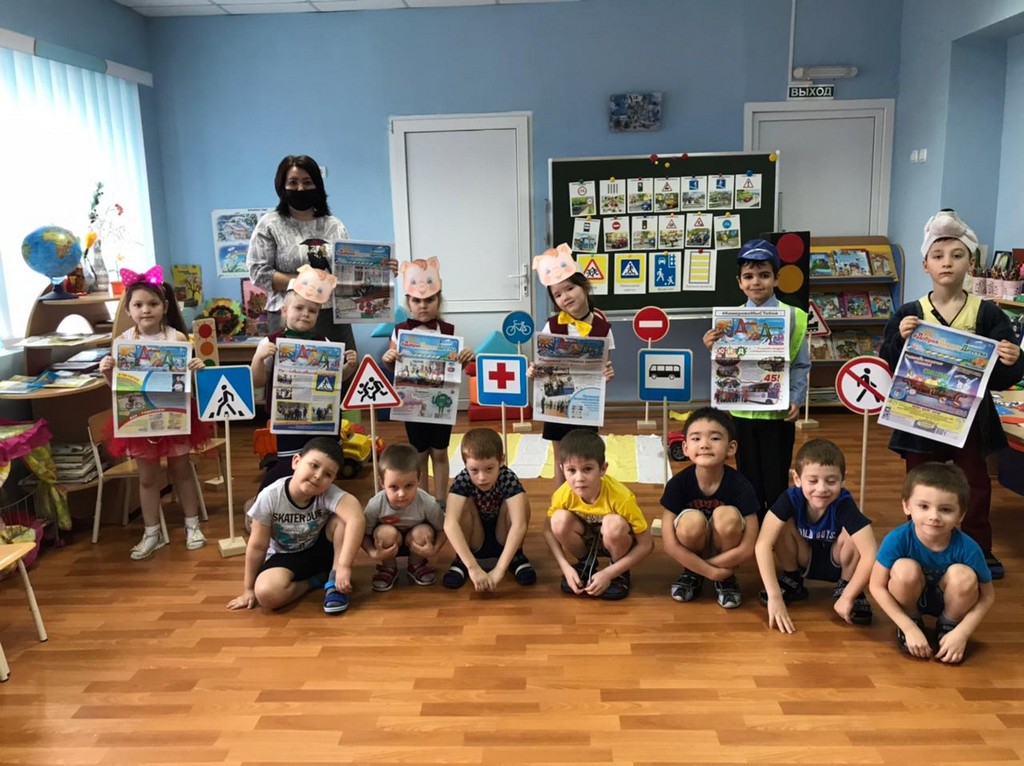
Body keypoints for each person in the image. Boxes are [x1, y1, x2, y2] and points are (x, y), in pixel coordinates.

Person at [879, 210, 1023, 579]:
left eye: (957, 255)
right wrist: (899, 339)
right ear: (925, 264)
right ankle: (918, 546)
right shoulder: (911, 312)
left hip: (969, 418)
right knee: (920, 482)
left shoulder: (987, 313)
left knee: (975, 483)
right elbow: (888, 363)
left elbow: (1005, 375)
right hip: (919, 414)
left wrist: (1013, 359)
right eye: (938, 256)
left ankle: (978, 549)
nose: (947, 263)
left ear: (970, 264)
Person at [98, 265, 210, 560]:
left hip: (175, 415)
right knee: (147, 478)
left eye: (152, 303)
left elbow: (189, 383)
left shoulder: (177, 339)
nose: (145, 310)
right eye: (138, 305)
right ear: (128, 309)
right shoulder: (123, 342)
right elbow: (118, 387)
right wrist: (107, 371)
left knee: (181, 471)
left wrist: (197, 368)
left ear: (165, 307)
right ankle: (151, 532)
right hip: (140, 418)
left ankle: (192, 526)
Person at [702, 239, 810, 518]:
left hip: (777, 413)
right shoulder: (728, 321)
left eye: (764, 275)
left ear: (776, 279)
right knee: (748, 478)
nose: (756, 282)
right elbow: (727, 365)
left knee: (776, 479)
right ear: (739, 282)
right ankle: (753, 529)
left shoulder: (794, 317)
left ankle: (776, 531)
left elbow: (801, 364)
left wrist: (796, 398)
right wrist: (713, 347)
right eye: (748, 276)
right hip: (742, 413)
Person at [869, 462, 994, 664]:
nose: (934, 516)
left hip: (950, 599)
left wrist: (962, 633)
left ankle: (948, 625)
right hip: (910, 595)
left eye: (945, 509)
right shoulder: (897, 539)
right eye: (924, 506)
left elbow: (988, 595)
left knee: (963, 575)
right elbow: (876, 585)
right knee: (904, 569)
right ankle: (912, 619)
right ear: (906, 506)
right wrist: (908, 627)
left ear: (961, 514)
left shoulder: (969, 548)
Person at [227, 437, 365, 614]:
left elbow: (357, 518)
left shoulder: (328, 493)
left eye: (328, 474)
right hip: (285, 556)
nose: (318, 476)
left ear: (333, 479)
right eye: (314, 465)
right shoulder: (270, 497)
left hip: (320, 550)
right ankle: (314, 581)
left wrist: (344, 566)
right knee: (266, 594)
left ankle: (333, 580)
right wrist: (248, 589)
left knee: (344, 518)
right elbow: (257, 546)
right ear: (296, 461)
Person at [250, 265, 357, 489]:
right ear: (284, 310)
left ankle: (320, 502)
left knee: (325, 464)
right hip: (289, 421)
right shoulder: (270, 342)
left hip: (322, 419)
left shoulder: (325, 342)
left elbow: (337, 381)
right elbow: (257, 381)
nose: (306, 314)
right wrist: (259, 358)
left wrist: (349, 367)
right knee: (289, 466)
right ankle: (267, 500)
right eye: (299, 308)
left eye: (312, 310)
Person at [755, 439, 877, 633]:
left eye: (831, 481)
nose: (821, 489)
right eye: (812, 481)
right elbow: (762, 544)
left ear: (842, 480)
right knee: (779, 525)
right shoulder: (790, 498)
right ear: (797, 479)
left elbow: (871, 554)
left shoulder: (844, 504)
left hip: (838, 560)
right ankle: (792, 579)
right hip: (805, 556)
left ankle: (847, 586)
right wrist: (774, 596)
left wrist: (848, 596)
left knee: (855, 532)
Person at [382, 258, 474, 503]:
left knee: (440, 452)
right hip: (412, 404)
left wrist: (464, 358)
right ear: (408, 303)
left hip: (441, 403)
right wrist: (389, 358)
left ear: (438, 301)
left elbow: (454, 369)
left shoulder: (448, 330)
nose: (423, 305)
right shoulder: (400, 331)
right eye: (416, 300)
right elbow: (394, 369)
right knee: (419, 454)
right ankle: (422, 500)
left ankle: (441, 501)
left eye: (429, 300)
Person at [527, 244, 616, 487]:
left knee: (585, 455)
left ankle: (586, 499)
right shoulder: (551, 326)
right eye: (557, 295)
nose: (565, 297)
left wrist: (608, 373)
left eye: (570, 288)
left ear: (584, 286)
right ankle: (561, 501)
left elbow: (604, 368)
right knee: (561, 457)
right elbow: (542, 364)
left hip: (587, 404)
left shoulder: (603, 329)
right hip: (557, 402)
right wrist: (533, 371)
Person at [246, 155, 358, 346]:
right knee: (290, 365)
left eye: (307, 182)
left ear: (317, 185)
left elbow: (349, 271)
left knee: (341, 364)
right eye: (293, 182)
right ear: (282, 186)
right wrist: (308, 282)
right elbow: (259, 273)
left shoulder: (335, 225)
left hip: (331, 316)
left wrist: (382, 270)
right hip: (288, 315)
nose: (300, 188)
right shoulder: (270, 224)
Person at [659, 407, 760, 609]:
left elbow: (749, 546)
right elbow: (669, 544)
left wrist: (711, 566)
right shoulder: (678, 484)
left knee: (727, 516)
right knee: (691, 522)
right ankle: (692, 573)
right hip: (694, 545)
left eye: (714, 438)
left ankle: (725, 577)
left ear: (731, 447)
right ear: (685, 448)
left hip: (725, 549)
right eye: (696, 438)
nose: (704, 444)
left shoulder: (741, 486)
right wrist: (710, 571)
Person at [544, 429, 653, 600]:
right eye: (571, 470)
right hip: (588, 539)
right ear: (562, 469)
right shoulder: (562, 494)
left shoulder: (621, 497)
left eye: (587, 469)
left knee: (613, 525)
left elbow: (647, 544)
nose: (579, 478)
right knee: (558, 520)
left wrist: (609, 573)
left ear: (603, 469)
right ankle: (585, 563)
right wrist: (565, 566)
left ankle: (620, 571)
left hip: (616, 541)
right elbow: (548, 530)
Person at [442, 428, 535, 591]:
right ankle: (462, 560)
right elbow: (450, 524)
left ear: (501, 461)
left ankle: (516, 556)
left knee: (520, 500)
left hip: (502, 536)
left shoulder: (507, 477)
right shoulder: (462, 479)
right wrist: (472, 567)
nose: (482, 477)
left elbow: (519, 524)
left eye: (489, 469)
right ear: (465, 465)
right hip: (475, 539)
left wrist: (500, 569)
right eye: (474, 470)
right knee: (460, 504)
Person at [362, 443, 447, 591]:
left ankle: (416, 564)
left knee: (423, 532)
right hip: (388, 542)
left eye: (409, 486)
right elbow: (362, 534)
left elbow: (443, 529)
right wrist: (373, 552)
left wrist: (435, 549)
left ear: (419, 480)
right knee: (385, 533)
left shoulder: (427, 503)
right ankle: (388, 567)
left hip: (416, 543)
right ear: (382, 483)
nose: (401, 494)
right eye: (394, 487)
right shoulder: (375, 504)